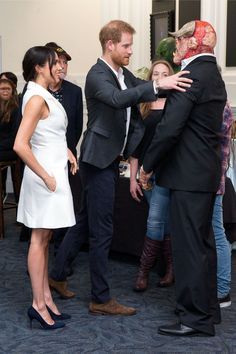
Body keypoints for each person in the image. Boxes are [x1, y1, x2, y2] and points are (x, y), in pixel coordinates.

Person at [48, 19, 192, 315]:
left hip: (107, 159)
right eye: (126, 45)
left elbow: (142, 89)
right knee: (102, 230)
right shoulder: (97, 75)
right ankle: (100, 298)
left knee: (86, 221)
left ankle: (57, 274)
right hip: (98, 159)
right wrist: (157, 84)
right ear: (110, 45)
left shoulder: (121, 72)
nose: (130, 51)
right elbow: (118, 99)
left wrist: (173, 86)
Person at [140, 20, 227, 336]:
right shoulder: (212, 73)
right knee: (203, 246)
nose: (174, 44)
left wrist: (147, 166)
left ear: (192, 44)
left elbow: (169, 130)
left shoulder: (189, 76)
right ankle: (207, 312)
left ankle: (193, 319)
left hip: (188, 176)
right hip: (203, 173)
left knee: (189, 248)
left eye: (180, 39)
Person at [13, 46, 77, 330]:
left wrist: (65, 151)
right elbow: (20, 144)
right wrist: (46, 176)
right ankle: (38, 305)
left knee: (46, 238)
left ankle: (48, 299)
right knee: (39, 241)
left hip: (53, 174)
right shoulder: (37, 98)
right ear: (39, 67)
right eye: (54, 63)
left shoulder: (42, 94)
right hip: (45, 180)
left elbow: (47, 133)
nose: (60, 67)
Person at [129, 60, 174, 292]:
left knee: (155, 220)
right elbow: (136, 146)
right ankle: (170, 269)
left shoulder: (176, 104)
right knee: (162, 223)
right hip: (145, 176)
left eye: (164, 73)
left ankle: (143, 273)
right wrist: (133, 178)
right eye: (155, 73)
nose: (159, 76)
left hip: (167, 174)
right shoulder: (143, 104)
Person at [45, 42, 83, 259]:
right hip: (43, 160)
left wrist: (67, 151)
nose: (63, 66)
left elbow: (77, 127)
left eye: (66, 62)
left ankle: (61, 252)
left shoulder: (74, 92)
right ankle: (40, 252)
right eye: (59, 61)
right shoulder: (36, 91)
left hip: (68, 159)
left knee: (65, 205)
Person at [0, 78, 19, 201]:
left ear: (12, 91)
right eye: (2, 89)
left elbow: (15, 137)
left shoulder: (16, 109)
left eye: (8, 89)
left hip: (11, 149)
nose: (5, 91)